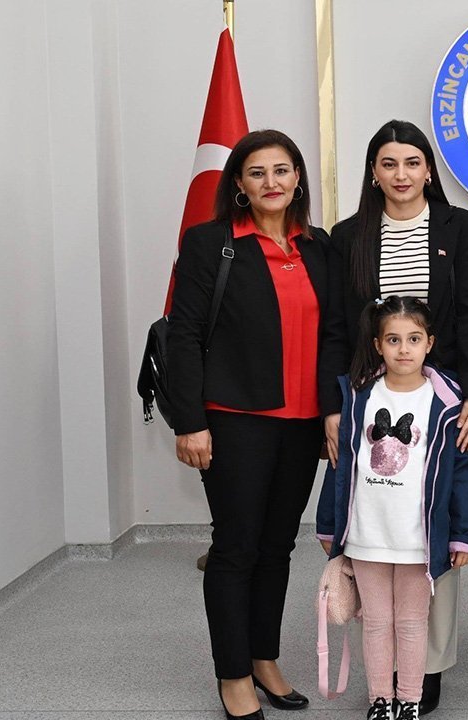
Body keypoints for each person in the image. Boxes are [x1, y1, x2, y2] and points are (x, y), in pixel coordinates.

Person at [167, 129, 337, 720]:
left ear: (298, 178)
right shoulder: (210, 242)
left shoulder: (317, 246)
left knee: (277, 546)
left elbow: (334, 333)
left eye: (282, 170)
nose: (271, 182)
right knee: (236, 547)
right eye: (257, 172)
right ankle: (233, 675)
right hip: (235, 419)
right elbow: (184, 336)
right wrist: (190, 422)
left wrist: (331, 410)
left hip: (301, 423)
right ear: (238, 182)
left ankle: (264, 659)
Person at [323, 119, 468, 714]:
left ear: (427, 170)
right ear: (373, 171)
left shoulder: (458, 226)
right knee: (380, 516)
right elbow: (336, 327)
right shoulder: (348, 236)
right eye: (389, 163)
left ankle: (428, 665)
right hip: (372, 398)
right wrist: (332, 407)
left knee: (433, 520)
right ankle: (382, 672)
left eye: (412, 162)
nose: (401, 174)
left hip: (438, 400)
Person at [315, 297, 468, 720]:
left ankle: (409, 699)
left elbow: (463, 472)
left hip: (417, 540)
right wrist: (330, 524)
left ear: (430, 343)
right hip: (367, 534)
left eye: (413, 339)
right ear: (377, 345)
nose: (403, 349)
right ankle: (380, 701)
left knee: (411, 623)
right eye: (393, 340)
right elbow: (341, 465)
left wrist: (465, 535)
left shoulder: (447, 402)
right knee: (375, 623)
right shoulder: (358, 396)